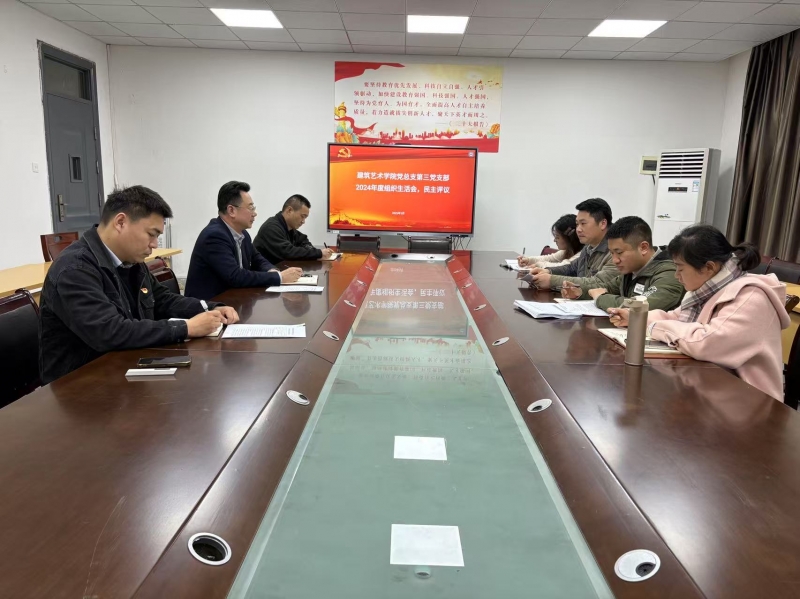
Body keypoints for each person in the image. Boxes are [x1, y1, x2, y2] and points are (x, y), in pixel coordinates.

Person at [39, 185, 239, 385]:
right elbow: (109, 331)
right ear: (120, 222)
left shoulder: (131, 261)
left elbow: (162, 300)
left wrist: (210, 308)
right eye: (151, 234)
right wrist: (186, 328)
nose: (155, 244)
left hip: (122, 369)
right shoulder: (74, 269)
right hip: (79, 386)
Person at [608, 225, 789, 401]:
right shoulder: (708, 289)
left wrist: (655, 327)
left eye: (680, 268)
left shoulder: (751, 297)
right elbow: (675, 318)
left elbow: (707, 343)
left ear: (709, 267)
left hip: (749, 401)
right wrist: (636, 318)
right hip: (713, 390)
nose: (676, 276)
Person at [184, 181, 302, 301]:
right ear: (231, 210)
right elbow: (235, 276)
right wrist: (279, 277)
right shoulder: (214, 236)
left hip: (232, 300)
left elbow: (257, 259)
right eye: (250, 208)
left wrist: (272, 271)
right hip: (208, 305)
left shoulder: (243, 234)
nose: (254, 213)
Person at [562, 216, 684, 311]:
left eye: (619, 252)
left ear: (643, 248)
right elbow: (608, 288)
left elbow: (640, 306)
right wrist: (580, 292)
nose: (615, 260)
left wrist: (601, 298)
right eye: (612, 253)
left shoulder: (671, 272)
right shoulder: (632, 268)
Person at [527, 198, 618, 291]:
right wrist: (548, 271)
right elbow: (572, 268)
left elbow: (599, 283)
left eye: (583, 223)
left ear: (603, 224)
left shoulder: (616, 251)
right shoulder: (588, 246)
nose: (578, 229)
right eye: (577, 224)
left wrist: (552, 280)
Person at [253, 194, 333, 264]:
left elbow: (303, 240)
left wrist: (313, 251)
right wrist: (319, 253)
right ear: (289, 210)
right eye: (302, 216)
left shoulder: (289, 228)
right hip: (265, 274)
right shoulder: (271, 228)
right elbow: (288, 252)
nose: (303, 221)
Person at [517, 214, 583, 268]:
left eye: (557, 237)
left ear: (569, 238)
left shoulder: (582, 254)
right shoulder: (567, 251)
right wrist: (528, 260)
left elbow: (563, 267)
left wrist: (538, 265)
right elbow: (548, 258)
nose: (554, 240)